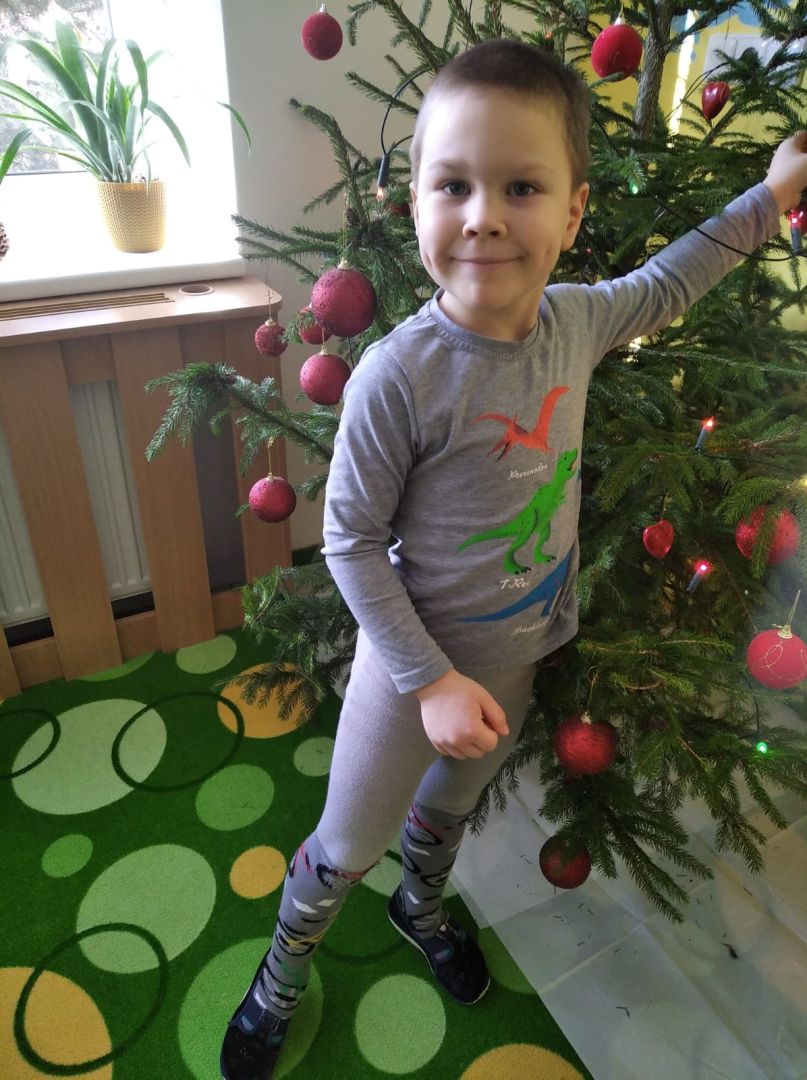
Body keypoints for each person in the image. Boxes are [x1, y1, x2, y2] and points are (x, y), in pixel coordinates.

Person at [220, 36, 807, 1080]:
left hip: (518, 653)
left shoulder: (577, 323)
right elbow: (348, 542)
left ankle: (421, 906)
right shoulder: (397, 377)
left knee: (451, 805)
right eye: (454, 185)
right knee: (346, 846)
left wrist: (772, 196)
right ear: (415, 204)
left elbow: (671, 278)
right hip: (410, 675)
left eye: (520, 187)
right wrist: (428, 680)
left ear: (572, 213)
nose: (484, 215)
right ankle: (279, 977)